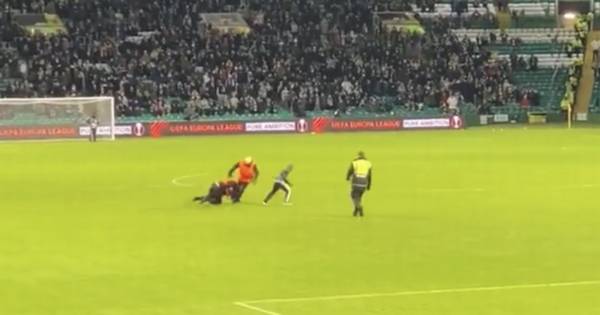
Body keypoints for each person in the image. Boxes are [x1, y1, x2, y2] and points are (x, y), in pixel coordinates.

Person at [346, 151, 372, 217]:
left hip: (356, 181)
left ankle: (359, 207)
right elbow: (369, 175)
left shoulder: (355, 163)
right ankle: (355, 211)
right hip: (364, 182)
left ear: (358, 156)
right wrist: (369, 185)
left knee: (353, 195)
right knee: (359, 196)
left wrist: (348, 177)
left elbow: (350, 171)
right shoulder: (368, 163)